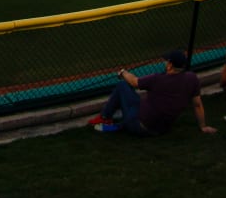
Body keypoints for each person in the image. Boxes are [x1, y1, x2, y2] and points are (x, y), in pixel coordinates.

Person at [89, 50, 217, 136]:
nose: (165, 63)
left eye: (167, 61)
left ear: (170, 65)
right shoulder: (192, 78)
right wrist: (203, 126)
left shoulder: (158, 79)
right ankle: (119, 122)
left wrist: (122, 72)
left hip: (139, 125)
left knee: (123, 86)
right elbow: (197, 105)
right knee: (137, 103)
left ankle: (107, 118)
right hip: (162, 129)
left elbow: (134, 82)